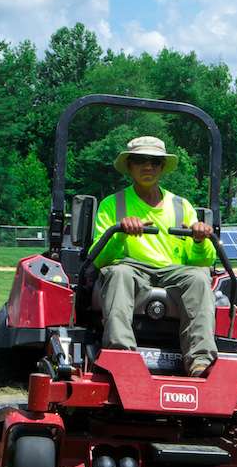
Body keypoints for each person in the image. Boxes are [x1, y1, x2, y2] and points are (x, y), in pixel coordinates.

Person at [91, 136, 218, 377]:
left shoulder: (182, 206)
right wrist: (120, 233)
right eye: (140, 160)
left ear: (162, 167)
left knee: (199, 279)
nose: (148, 166)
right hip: (132, 268)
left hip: (173, 271)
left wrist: (200, 240)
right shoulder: (112, 204)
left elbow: (202, 261)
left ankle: (200, 361)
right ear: (129, 166)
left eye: (155, 161)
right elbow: (98, 259)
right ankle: (121, 355)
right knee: (117, 273)